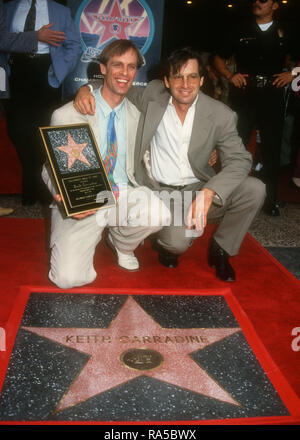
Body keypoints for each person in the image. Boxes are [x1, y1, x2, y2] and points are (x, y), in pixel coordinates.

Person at [74, 46, 266, 282]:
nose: (185, 84)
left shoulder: (220, 114)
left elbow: (240, 159)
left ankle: (221, 248)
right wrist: (86, 89)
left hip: (197, 188)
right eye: (178, 76)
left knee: (254, 189)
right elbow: (115, 87)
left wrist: (209, 193)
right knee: (175, 245)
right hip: (160, 191)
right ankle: (166, 243)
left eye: (192, 76)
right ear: (166, 81)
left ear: (202, 79)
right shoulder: (152, 96)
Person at [42, 39, 171, 289]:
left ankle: (121, 243)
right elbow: (48, 166)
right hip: (85, 200)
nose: (125, 73)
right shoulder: (68, 114)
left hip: (122, 192)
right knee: (67, 279)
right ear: (102, 68)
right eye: (118, 65)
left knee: (159, 212)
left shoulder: (137, 115)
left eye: (131, 67)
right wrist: (62, 192)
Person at [213, 0, 300, 216]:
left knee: (271, 149)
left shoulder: (286, 31)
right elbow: (217, 58)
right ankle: (227, 198)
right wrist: (230, 75)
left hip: (272, 94)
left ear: (275, 6)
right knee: (235, 146)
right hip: (244, 94)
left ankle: (269, 201)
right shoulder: (240, 29)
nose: (257, 2)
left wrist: (293, 74)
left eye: (264, 0)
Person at [3, 0, 81, 206]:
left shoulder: (60, 11)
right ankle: (36, 183)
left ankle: (37, 192)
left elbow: (73, 45)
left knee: (44, 133)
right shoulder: (8, 8)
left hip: (46, 73)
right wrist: (34, 37)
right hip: (16, 72)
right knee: (17, 131)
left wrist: (60, 71)